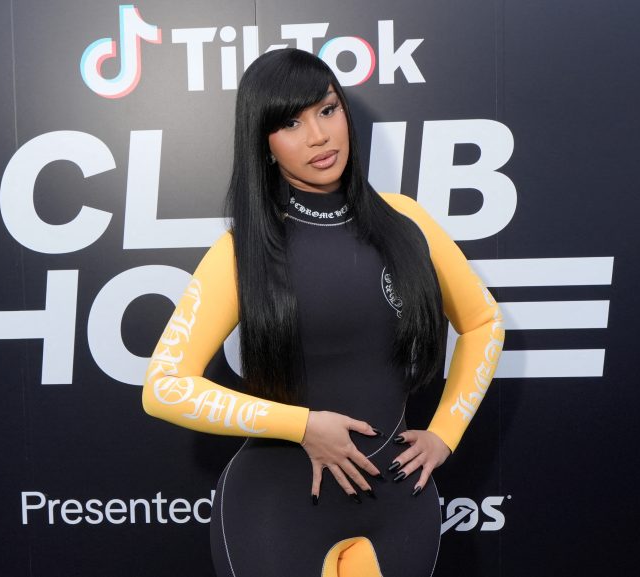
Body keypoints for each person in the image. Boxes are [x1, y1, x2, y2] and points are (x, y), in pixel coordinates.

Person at [143, 48, 505, 577]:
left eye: (327, 110)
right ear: (264, 144)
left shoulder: (407, 222)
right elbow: (163, 387)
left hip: (400, 507)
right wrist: (303, 425)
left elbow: (483, 323)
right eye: (291, 123)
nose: (318, 136)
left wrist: (445, 433)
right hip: (277, 512)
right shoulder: (242, 252)